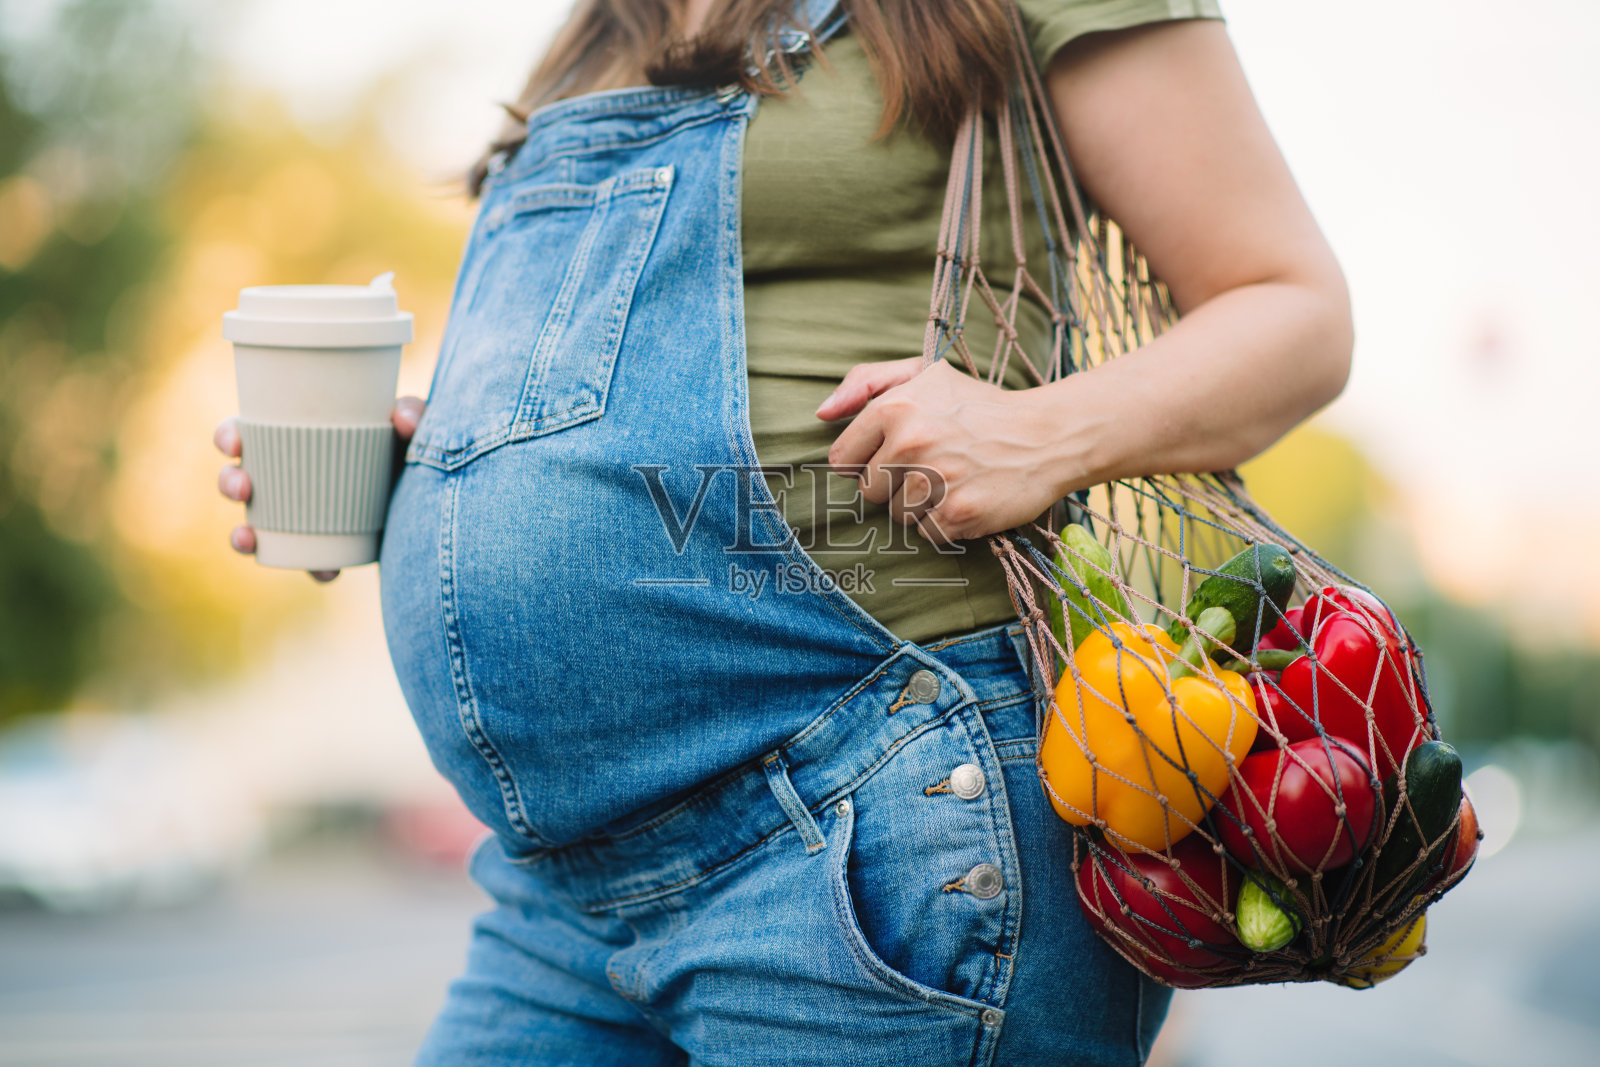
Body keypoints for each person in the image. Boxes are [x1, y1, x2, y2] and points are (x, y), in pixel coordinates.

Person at [214, 0, 1351, 1062]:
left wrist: (1041, 433)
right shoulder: (612, 24)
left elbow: (1292, 308)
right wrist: (448, 464)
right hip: (566, 886)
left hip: (871, 825)